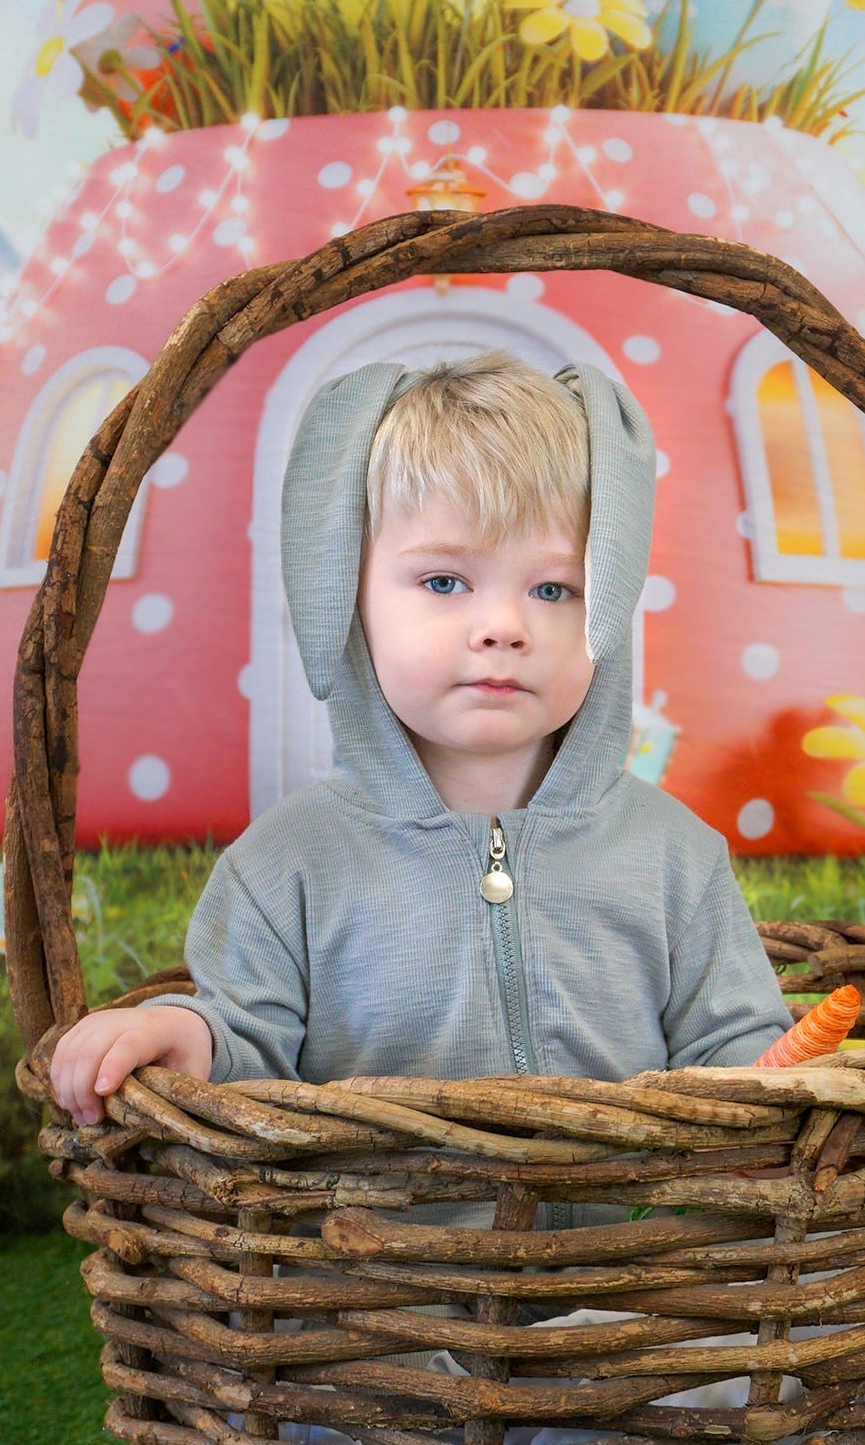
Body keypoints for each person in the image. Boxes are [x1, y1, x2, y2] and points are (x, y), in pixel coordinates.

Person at [49, 346, 790, 1153]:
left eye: (553, 589)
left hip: (625, 1269)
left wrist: (774, 1083)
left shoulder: (674, 856)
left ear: (608, 603)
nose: (503, 625)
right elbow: (244, 1049)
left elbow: (738, 1054)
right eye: (444, 582)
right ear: (351, 596)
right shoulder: (285, 866)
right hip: (374, 1265)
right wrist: (185, 1034)